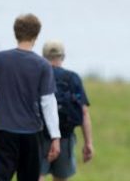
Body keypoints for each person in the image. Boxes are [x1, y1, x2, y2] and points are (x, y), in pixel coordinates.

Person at [0, 13, 61, 181]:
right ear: (36, 35)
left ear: (15, 32)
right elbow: (48, 104)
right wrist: (55, 136)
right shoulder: (43, 65)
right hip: (31, 133)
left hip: (2, 132)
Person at [38, 40, 94, 181]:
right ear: (62, 57)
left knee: (37, 175)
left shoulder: (38, 76)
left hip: (39, 136)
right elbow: (84, 112)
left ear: (43, 57)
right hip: (65, 137)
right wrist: (88, 143)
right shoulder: (72, 78)